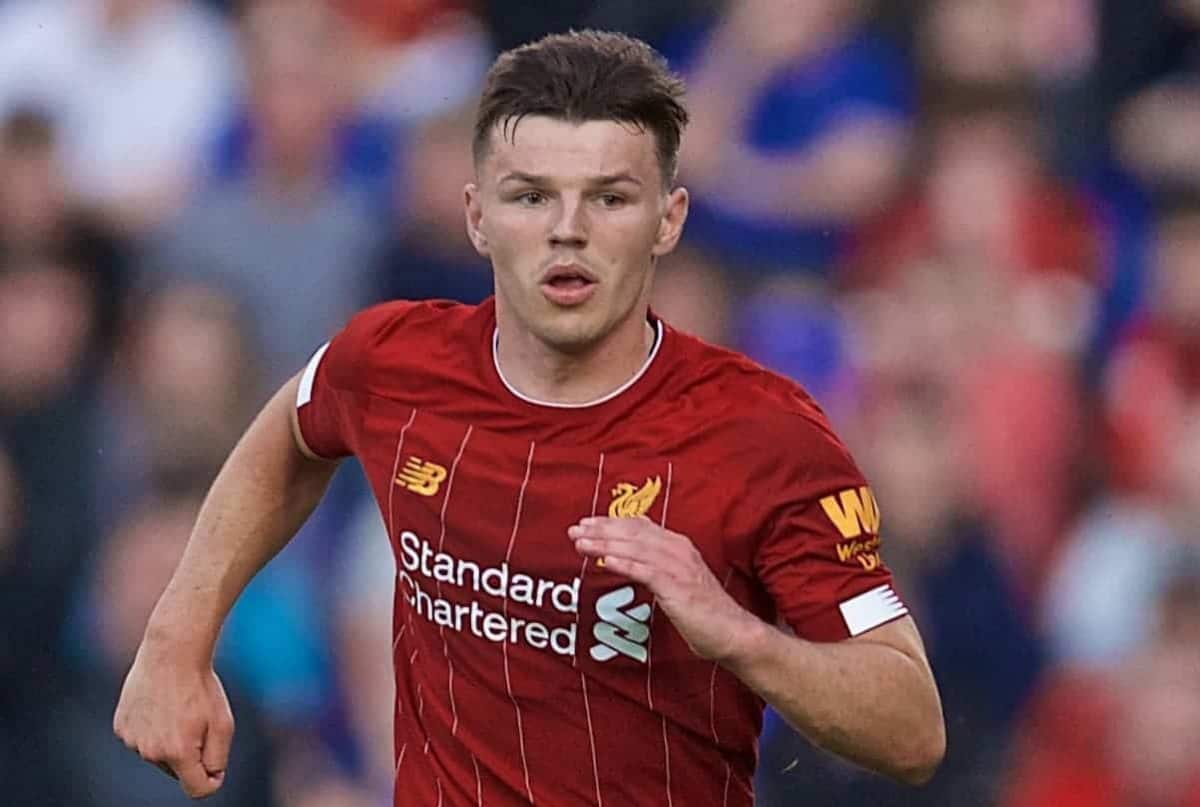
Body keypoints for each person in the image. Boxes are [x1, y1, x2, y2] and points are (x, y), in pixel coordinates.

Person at [114, 30, 945, 805]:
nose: (568, 231)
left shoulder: (766, 434)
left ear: (670, 219)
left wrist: (737, 633)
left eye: (611, 198)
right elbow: (293, 429)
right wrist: (178, 637)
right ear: (478, 215)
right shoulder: (395, 361)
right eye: (531, 196)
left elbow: (913, 729)